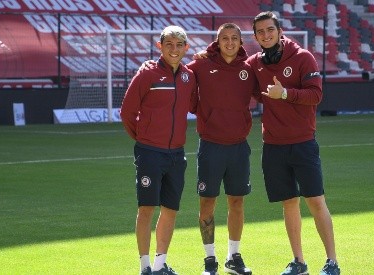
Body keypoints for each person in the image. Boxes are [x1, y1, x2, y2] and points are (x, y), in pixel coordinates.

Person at [247, 12, 341, 275]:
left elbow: (316, 95)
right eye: (260, 32)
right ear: (256, 37)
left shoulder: (302, 57)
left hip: (302, 143)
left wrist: (284, 93)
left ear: (279, 31)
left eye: (270, 30)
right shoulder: (255, 63)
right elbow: (237, 74)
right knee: (288, 203)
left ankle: (332, 262)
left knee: (315, 201)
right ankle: (298, 262)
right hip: (273, 145)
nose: (266, 35)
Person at [120, 25, 197, 275]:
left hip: (177, 154)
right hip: (150, 153)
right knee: (146, 209)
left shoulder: (189, 76)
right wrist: (144, 138)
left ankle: (160, 264)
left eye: (179, 45)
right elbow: (127, 112)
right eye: (169, 44)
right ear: (159, 47)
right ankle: (144, 267)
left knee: (170, 210)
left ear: (186, 48)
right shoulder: (146, 74)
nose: (173, 49)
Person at [187, 23, 259, 275]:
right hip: (211, 147)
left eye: (234, 38)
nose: (229, 43)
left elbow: (268, 93)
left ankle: (233, 257)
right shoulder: (200, 65)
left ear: (241, 42)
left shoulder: (249, 69)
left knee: (237, 202)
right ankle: (209, 260)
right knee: (207, 203)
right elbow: (179, 79)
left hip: (239, 148)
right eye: (224, 38)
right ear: (217, 42)